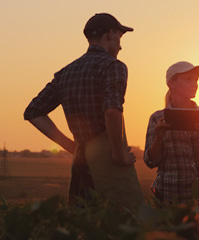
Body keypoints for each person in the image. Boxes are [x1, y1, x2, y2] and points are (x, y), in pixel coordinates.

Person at [23, 13, 144, 208]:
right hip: (110, 165)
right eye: (119, 39)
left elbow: (33, 112)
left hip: (81, 165)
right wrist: (118, 152)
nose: (120, 46)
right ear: (110, 34)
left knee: (85, 225)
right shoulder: (113, 66)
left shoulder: (65, 73)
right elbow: (112, 111)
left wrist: (71, 146)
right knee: (127, 223)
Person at [144, 61, 199, 202]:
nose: (194, 84)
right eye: (188, 79)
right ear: (172, 83)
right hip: (171, 195)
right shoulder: (157, 118)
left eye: (196, 80)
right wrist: (159, 138)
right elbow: (150, 161)